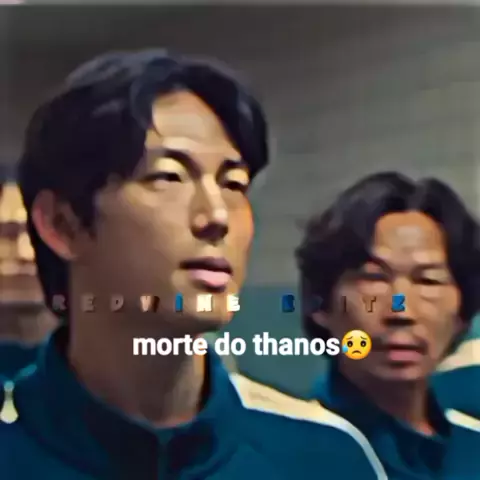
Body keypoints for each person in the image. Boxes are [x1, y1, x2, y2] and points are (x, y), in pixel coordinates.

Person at [0, 50, 385, 479]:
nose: (217, 216)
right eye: (169, 177)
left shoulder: (324, 455)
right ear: (63, 224)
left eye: (233, 183)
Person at [296, 172, 480, 479]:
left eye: (428, 280)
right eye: (374, 277)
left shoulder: (472, 449)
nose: (401, 311)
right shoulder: (285, 452)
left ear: (462, 312)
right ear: (321, 304)